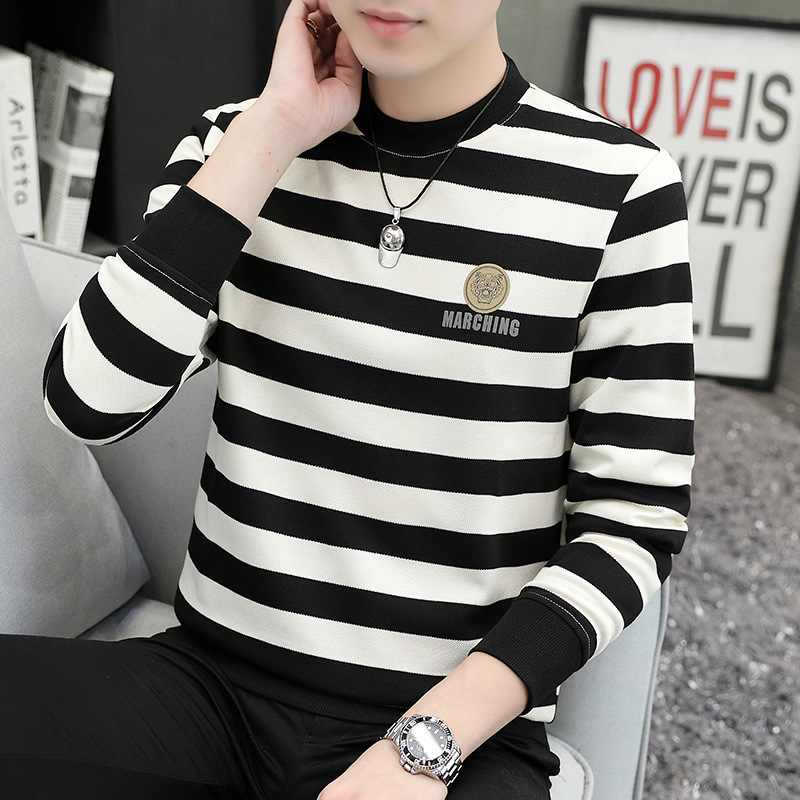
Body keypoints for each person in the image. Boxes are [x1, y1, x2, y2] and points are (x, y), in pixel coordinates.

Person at [2, 0, 695, 797]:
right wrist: (272, 131)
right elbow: (86, 402)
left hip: (455, 736)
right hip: (208, 692)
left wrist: (423, 747)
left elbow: (631, 524)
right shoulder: (236, 146)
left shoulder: (620, 188)